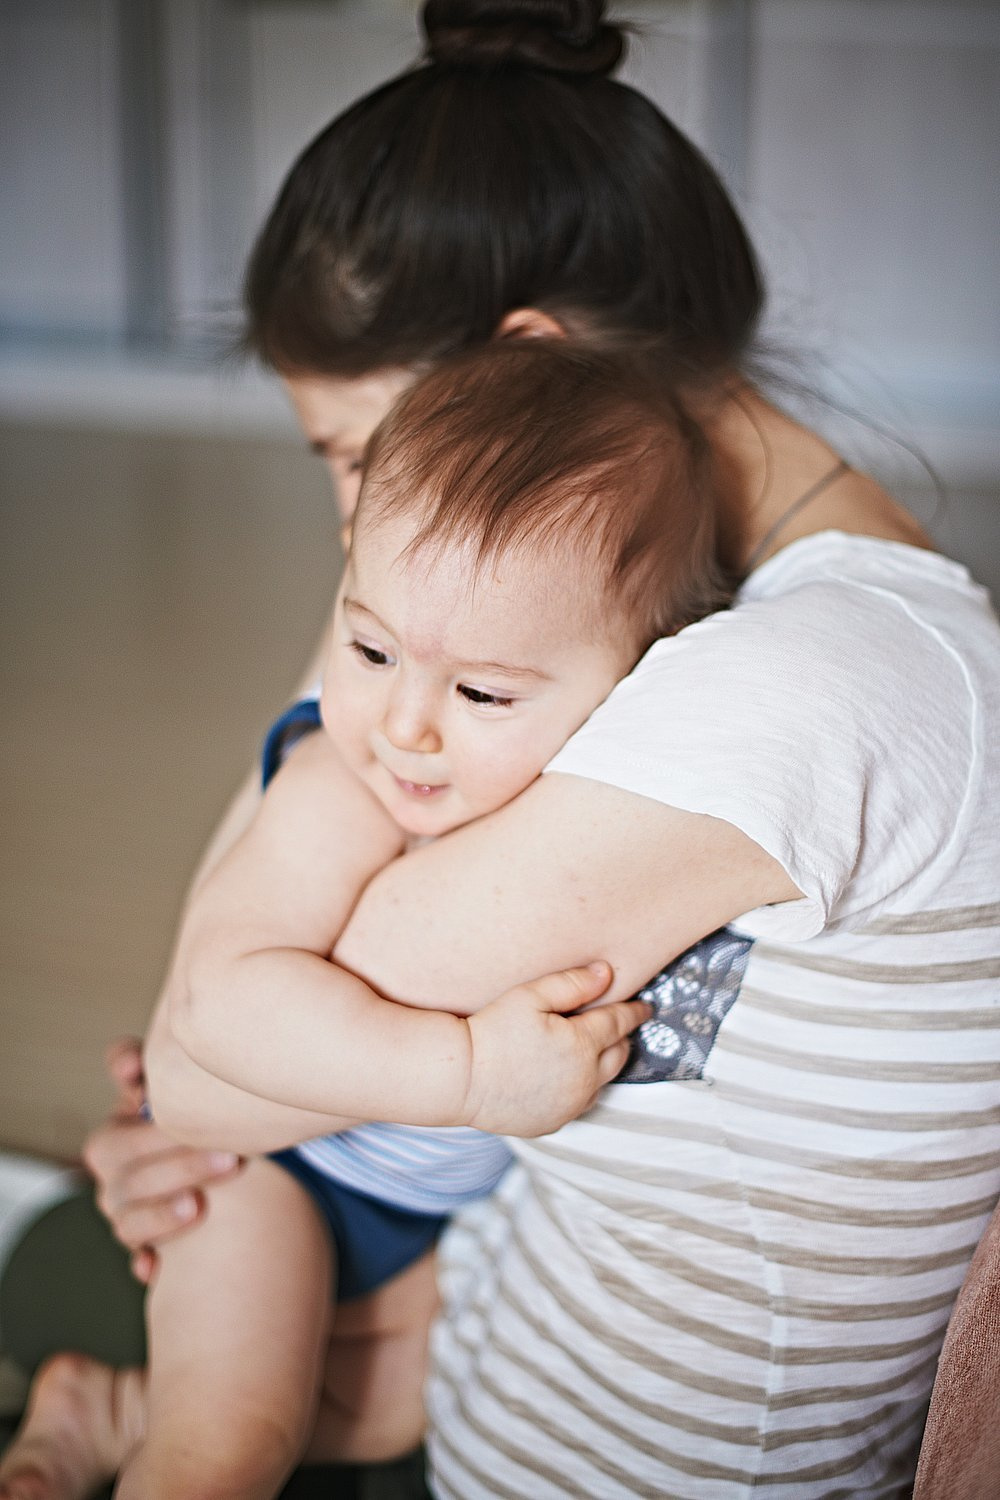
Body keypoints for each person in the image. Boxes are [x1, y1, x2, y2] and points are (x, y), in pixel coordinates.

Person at [4, 0, 999, 1496]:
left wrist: (201, 1107)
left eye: (358, 454)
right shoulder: (721, 638)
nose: (357, 517)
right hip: (483, 1328)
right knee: (131, 1256)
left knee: (96, 1259)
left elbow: (209, 1065)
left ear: (521, 363)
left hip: (560, 1427)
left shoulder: (792, 688)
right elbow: (225, 1024)